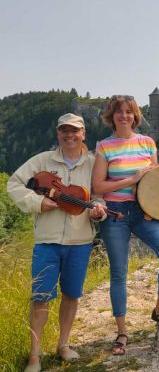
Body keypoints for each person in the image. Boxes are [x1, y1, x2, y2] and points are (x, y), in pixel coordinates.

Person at [7, 113, 106, 372]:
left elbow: (100, 196)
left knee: (71, 296)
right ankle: (34, 355)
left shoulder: (94, 163)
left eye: (74, 130)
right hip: (47, 241)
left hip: (80, 241)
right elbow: (15, 183)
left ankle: (63, 345)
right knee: (40, 297)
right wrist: (38, 203)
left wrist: (99, 209)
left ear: (83, 133)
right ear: (58, 133)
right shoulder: (42, 160)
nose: (69, 135)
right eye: (64, 130)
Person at [92, 95, 159, 355]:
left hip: (143, 211)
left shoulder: (147, 143)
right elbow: (98, 187)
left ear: (135, 116)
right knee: (119, 273)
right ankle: (121, 333)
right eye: (118, 112)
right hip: (115, 212)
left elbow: (154, 183)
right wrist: (131, 178)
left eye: (128, 112)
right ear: (112, 116)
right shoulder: (105, 146)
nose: (124, 116)